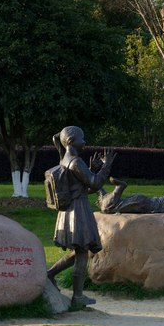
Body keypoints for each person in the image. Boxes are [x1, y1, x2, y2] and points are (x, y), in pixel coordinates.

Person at [46, 126, 116, 307]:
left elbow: (84, 187)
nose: (84, 142)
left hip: (70, 210)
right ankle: (78, 297)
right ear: (71, 141)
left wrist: (92, 169)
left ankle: (50, 274)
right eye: (82, 138)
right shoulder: (76, 161)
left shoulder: (65, 158)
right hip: (78, 211)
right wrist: (107, 166)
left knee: (78, 250)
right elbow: (95, 183)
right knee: (82, 252)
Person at [96, 168, 164, 215]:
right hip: (143, 203)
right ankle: (119, 187)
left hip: (145, 204)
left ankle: (101, 190)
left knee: (113, 207)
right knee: (109, 208)